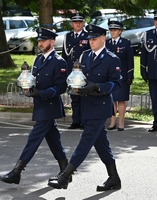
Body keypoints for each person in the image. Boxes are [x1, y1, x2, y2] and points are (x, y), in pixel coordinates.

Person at [48, 24, 122, 191]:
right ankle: (114, 178)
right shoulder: (85, 56)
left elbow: (116, 84)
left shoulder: (111, 59)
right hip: (87, 106)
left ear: (103, 38)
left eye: (94, 39)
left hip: (101, 107)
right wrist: (74, 86)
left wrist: (97, 86)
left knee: (85, 142)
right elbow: (78, 78)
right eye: (89, 39)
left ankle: (65, 176)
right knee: (101, 144)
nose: (91, 42)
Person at [0, 27, 70, 185]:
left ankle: (17, 171)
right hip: (40, 105)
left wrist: (41, 93)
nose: (40, 43)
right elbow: (33, 79)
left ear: (52, 41)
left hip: (49, 105)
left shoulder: (59, 62)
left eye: (43, 40)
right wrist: (26, 85)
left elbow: (60, 87)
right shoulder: (38, 59)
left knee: (34, 138)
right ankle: (66, 173)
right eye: (39, 40)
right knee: (54, 140)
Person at [62, 12, 90, 129]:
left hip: (83, 72)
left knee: (84, 97)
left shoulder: (88, 36)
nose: (77, 24)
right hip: (72, 72)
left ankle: (84, 121)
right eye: (75, 22)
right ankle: (76, 121)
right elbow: (65, 55)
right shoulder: (67, 37)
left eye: (80, 22)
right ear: (72, 24)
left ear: (83, 23)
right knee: (74, 97)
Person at [106, 21, 134, 131]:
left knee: (121, 99)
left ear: (120, 31)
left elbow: (130, 60)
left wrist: (130, 75)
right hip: (110, 76)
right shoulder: (107, 44)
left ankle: (121, 121)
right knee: (112, 100)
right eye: (111, 30)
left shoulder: (126, 43)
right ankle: (113, 121)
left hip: (122, 75)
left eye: (115, 30)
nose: (113, 32)